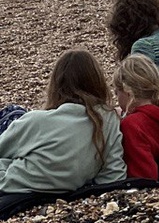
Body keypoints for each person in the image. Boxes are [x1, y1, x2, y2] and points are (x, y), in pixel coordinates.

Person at [0, 49, 126, 193]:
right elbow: (114, 174)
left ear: (56, 84)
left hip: (10, 185)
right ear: (97, 82)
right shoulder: (108, 120)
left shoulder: (37, 121)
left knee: (12, 112)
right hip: (66, 188)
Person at [113, 54, 159, 182]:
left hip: (149, 179)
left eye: (117, 93)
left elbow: (143, 174)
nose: (116, 97)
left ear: (128, 93)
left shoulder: (132, 124)